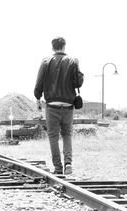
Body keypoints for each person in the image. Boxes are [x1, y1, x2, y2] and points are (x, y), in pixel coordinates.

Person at [34, 37, 83, 175]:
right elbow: (78, 83)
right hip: (68, 105)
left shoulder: (46, 61)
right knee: (67, 135)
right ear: (64, 46)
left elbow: (39, 83)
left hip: (52, 105)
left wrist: (38, 99)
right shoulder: (73, 61)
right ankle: (68, 163)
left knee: (53, 137)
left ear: (52, 47)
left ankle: (57, 168)